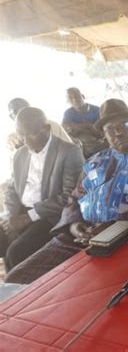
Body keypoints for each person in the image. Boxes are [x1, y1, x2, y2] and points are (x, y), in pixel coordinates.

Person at [5, 99, 128, 284]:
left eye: (125, 125)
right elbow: (73, 200)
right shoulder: (96, 160)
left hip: (125, 241)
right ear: (104, 135)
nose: (118, 132)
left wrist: (113, 227)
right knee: (17, 279)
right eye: (110, 129)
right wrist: (74, 225)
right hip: (76, 239)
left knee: (90, 290)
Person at [1, 107, 84, 272]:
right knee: (4, 240)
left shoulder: (69, 152)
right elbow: (12, 189)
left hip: (50, 216)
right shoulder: (20, 155)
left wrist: (27, 218)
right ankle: (10, 291)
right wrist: (11, 218)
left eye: (30, 135)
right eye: (21, 135)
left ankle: (24, 294)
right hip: (20, 212)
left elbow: (68, 197)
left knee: (16, 252)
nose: (25, 141)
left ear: (46, 129)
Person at [7, 98, 72, 152]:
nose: (23, 115)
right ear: (11, 117)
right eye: (17, 112)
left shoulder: (50, 125)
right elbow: (14, 163)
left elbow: (71, 150)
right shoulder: (12, 138)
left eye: (26, 110)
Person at [62, 87, 108, 158]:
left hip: (98, 142)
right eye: (71, 98)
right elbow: (64, 127)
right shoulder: (68, 113)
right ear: (68, 101)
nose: (75, 100)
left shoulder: (97, 110)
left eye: (77, 96)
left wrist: (77, 127)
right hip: (81, 145)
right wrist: (88, 127)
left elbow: (101, 131)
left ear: (83, 96)